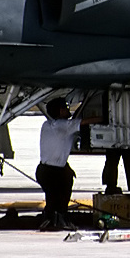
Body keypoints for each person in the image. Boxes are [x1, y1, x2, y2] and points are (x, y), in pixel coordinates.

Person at [36, 97, 78, 230]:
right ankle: (58, 219)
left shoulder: (46, 125)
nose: (67, 110)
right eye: (65, 108)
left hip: (44, 170)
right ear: (59, 111)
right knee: (59, 196)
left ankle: (51, 219)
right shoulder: (64, 126)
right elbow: (84, 123)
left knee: (52, 196)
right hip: (54, 172)